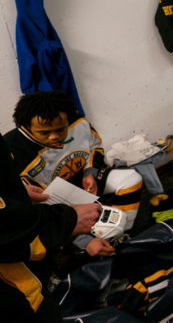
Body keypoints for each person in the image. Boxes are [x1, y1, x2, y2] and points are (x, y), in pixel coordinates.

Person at [4, 91, 143, 234]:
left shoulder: (78, 123)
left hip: (85, 183)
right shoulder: (10, 146)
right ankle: (81, 244)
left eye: (60, 129)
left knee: (131, 178)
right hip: (51, 199)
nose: (54, 137)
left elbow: (94, 146)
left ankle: (121, 231)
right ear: (26, 127)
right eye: (44, 133)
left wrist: (90, 173)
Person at [0, 133, 100, 322]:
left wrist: (14, 194)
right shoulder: (18, 145)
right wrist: (68, 221)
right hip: (14, 291)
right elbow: (7, 229)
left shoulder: (80, 128)